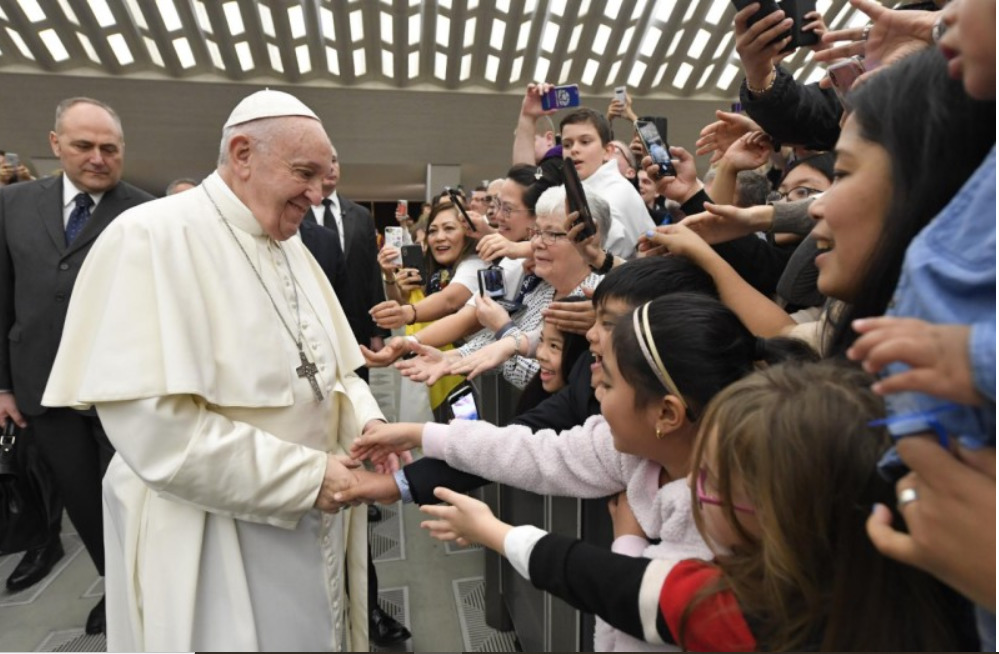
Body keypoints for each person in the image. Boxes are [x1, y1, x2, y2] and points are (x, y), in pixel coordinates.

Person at [41, 89, 385, 651]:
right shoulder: (149, 236)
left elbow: (336, 369)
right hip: (209, 530)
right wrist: (308, 477)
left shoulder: (290, 242)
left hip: (315, 510)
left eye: (323, 177)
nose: (318, 193)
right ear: (243, 153)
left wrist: (369, 425)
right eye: (304, 173)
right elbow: (158, 432)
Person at [351, 294, 815, 652]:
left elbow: (630, 621)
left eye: (607, 383)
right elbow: (533, 453)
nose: (594, 389)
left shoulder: (724, 523)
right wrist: (420, 434)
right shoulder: (645, 449)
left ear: (667, 413)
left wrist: (626, 542)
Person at [417, 361, 972, 651]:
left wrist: (492, 531)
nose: (694, 488)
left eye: (710, 479)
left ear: (781, 514)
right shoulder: (927, 605)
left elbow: (601, 581)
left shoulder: (731, 611)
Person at [0, 97, 154, 634]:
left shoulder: (146, 212)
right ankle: (116, 584)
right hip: (43, 387)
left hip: (121, 388)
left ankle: (147, 587)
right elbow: (3, 295)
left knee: (133, 497)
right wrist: (3, 386)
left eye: (109, 148)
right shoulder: (12, 205)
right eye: (84, 145)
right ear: (55, 144)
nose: (97, 158)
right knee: (83, 501)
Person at [307, 147, 386, 384]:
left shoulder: (360, 216)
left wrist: (377, 331)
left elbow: (372, 274)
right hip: (311, 321)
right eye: (325, 162)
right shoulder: (295, 214)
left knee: (356, 388)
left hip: (355, 325)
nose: (331, 167)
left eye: (335, 160)